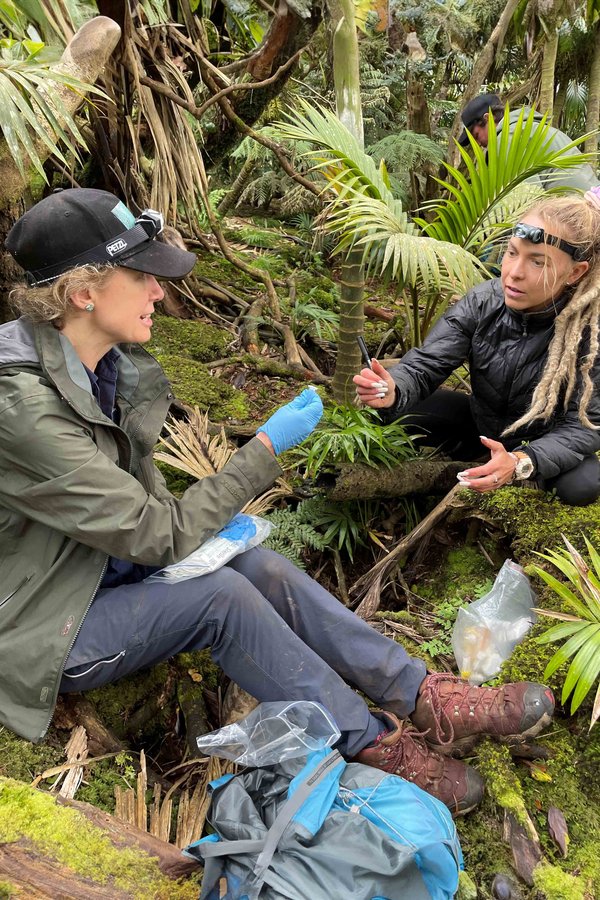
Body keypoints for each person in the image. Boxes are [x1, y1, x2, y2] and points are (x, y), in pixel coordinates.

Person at [0, 188, 554, 817]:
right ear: (83, 293)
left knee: (255, 566)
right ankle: (369, 743)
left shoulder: (101, 365)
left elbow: (136, 496)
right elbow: (151, 533)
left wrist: (213, 535)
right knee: (221, 598)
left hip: (99, 572)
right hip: (44, 625)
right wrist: (263, 448)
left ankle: (424, 695)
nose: (159, 293)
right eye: (141, 276)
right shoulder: (20, 405)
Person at [354, 192, 600, 506]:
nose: (514, 272)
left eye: (537, 261)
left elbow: (585, 425)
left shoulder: (590, 331)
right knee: (390, 410)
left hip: (541, 441)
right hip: (479, 424)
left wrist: (522, 461)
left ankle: (513, 477)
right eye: (512, 252)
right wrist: (394, 388)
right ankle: (476, 460)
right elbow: (427, 364)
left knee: (582, 483)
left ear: (576, 272)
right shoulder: (484, 301)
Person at [458, 92, 598, 192]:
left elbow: (526, 199)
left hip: (575, 218)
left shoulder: (507, 138)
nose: (477, 143)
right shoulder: (534, 128)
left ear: (488, 118)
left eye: (476, 135)